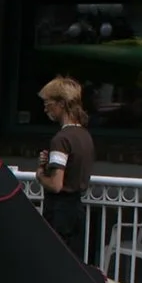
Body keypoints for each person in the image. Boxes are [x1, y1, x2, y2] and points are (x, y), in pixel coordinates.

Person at [35, 75, 95, 262]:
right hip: (76, 210)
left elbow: (56, 184)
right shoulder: (84, 136)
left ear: (61, 104)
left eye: (48, 103)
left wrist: (40, 174)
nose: (45, 108)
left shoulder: (61, 139)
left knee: (53, 263)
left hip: (59, 211)